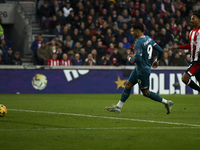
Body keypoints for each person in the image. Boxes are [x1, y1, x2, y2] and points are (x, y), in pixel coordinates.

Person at [105, 23, 173, 114]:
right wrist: (157, 60)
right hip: (139, 68)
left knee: (146, 93)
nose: (131, 32)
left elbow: (137, 59)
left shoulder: (138, 43)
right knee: (128, 85)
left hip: (142, 70)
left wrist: (129, 58)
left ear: (138, 31)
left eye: (133, 31)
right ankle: (118, 107)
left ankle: (166, 102)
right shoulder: (149, 38)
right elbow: (160, 50)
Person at [170, 12, 200, 92]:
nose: (191, 20)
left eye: (193, 19)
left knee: (184, 78)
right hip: (194, 60)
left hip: (198, 62)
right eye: (191, 19)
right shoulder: (191, 32)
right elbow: (190, 45)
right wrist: (178, 47)